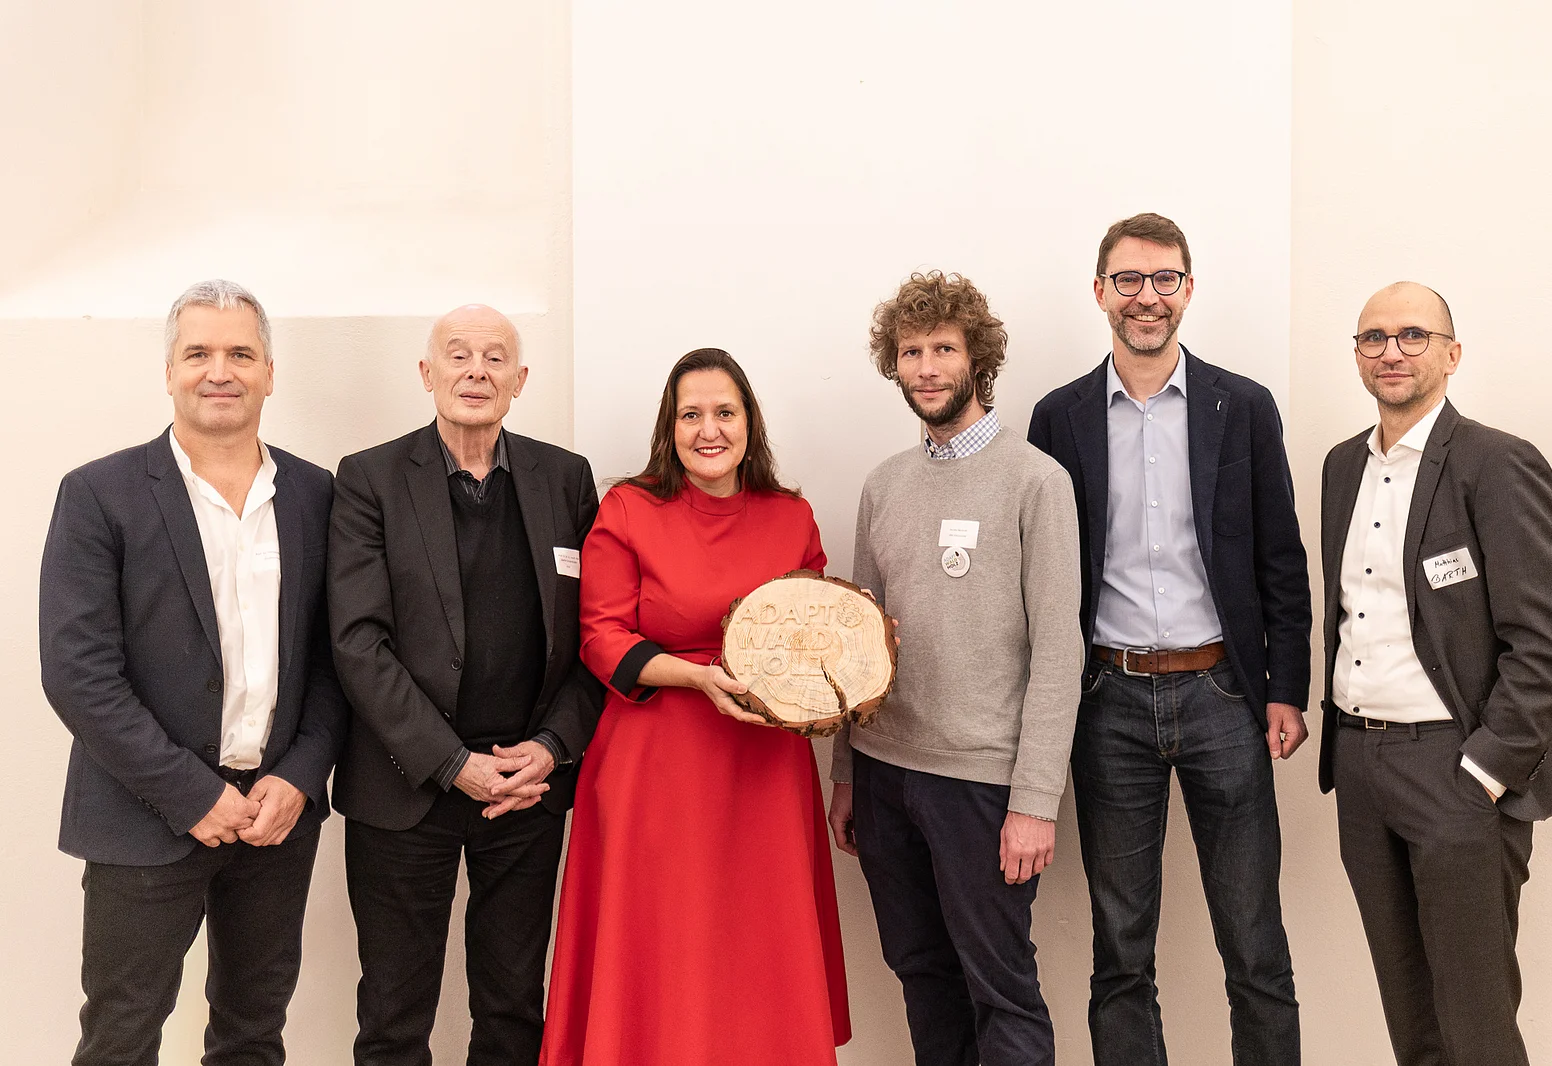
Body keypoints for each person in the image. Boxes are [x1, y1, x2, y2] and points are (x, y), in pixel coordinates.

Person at [39, 279, 348, 1066]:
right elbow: (78, 672)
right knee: (121, 1037)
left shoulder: (319, 496)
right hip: (142, 815)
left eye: (240, 353)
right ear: (170, 371)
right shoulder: (98, 494)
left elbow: (339, 658)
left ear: (270, 373)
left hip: (277, 817)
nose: (221, 371)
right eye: (199, 353)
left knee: (253, 1034)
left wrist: (303, 775)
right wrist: (190, 792)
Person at [1028, 212, 1311, 1066]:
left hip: (1225, 694)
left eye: (1163, 280)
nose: (1146, 298)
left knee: (1254, 945)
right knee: (1121, 950)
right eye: (1128, 280)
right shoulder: (1059, 417)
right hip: (1108, 700)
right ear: (1100, 291)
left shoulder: (1244, 406)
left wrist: (1286, 687)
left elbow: (1280, 556)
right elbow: (1043, 577)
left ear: (1188, 288)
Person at [540, 348, 850, 1065]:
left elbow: (814, 631)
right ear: (669, 427)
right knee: (661, 950)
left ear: (750, 424)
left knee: (758, 952)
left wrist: (860, 649)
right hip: (654, 768)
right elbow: (600, 635)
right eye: (691, 415)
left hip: (765, 773)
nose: (708, 430)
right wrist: (698, 677)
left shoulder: (791, 515)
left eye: (724, 413)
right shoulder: (628, 507)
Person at [1318, 282, 1552, 1066]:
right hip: (1363, 769)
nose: (1392, 351)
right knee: (1410, 1015)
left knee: (1474, 1019)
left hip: (1455, 768)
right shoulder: (1342, 466)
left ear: (1452, 352)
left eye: (1413, 334)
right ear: (1357, 356)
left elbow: (1544, 644)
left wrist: (1483, 771)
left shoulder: (1498, 463)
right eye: (1373, 337)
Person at [326, 304, 605, 1065]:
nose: (475, 370)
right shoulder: (369, 479)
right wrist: (453, 764)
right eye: (457, 355)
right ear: (427, 374)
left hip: (525, 789)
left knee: (514, 1008)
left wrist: (551, 749)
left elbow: (595, 636)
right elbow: (357, 642)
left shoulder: (566, 479)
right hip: (404, 785)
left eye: (494, 358)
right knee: (393, 1010)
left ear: (519, 381)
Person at [829, 271, 1081, 1066]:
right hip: (883, 774)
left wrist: (1035, 800)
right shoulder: (884, 486)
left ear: (980, 359)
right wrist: (845, 774)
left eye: (944, 348)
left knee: (999, 987)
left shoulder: (1036, 481)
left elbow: (1059, 652)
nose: (928, 367)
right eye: (911, 352)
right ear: (893, 365)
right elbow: (858, 646)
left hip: (980, 785)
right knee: (919, 971)